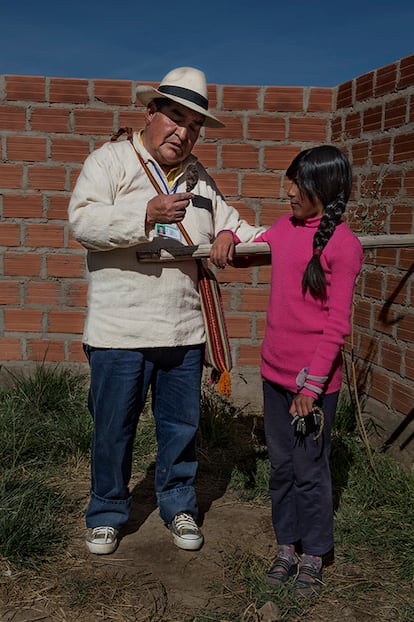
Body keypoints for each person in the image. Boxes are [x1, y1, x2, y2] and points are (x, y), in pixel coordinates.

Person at [68, 66, 265, 555]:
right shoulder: (110, 161)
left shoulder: (200, 178)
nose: (184, 133)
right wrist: (145, 215)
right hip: (119, 330)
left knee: (182, 428)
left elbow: (238, 228)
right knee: (113, 428)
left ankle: (179, 504)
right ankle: (108, 510)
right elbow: (83, 222)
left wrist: (228, 234)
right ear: (151, 113)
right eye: (175, 118)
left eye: (194, 125)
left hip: (183, 329)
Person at [254, 145, 363, 597]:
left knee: (309, 469)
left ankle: (315, 553)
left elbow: (338, 325)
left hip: (310, 385)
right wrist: (224, 235)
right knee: (281, 466)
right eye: (290, 181)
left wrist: (313, 387)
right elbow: (248, 247)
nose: (289, 191)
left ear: (326, 187)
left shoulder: (344, 245)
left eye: (298, 183)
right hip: (272, 375)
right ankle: (287, 544)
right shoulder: (284, 228)